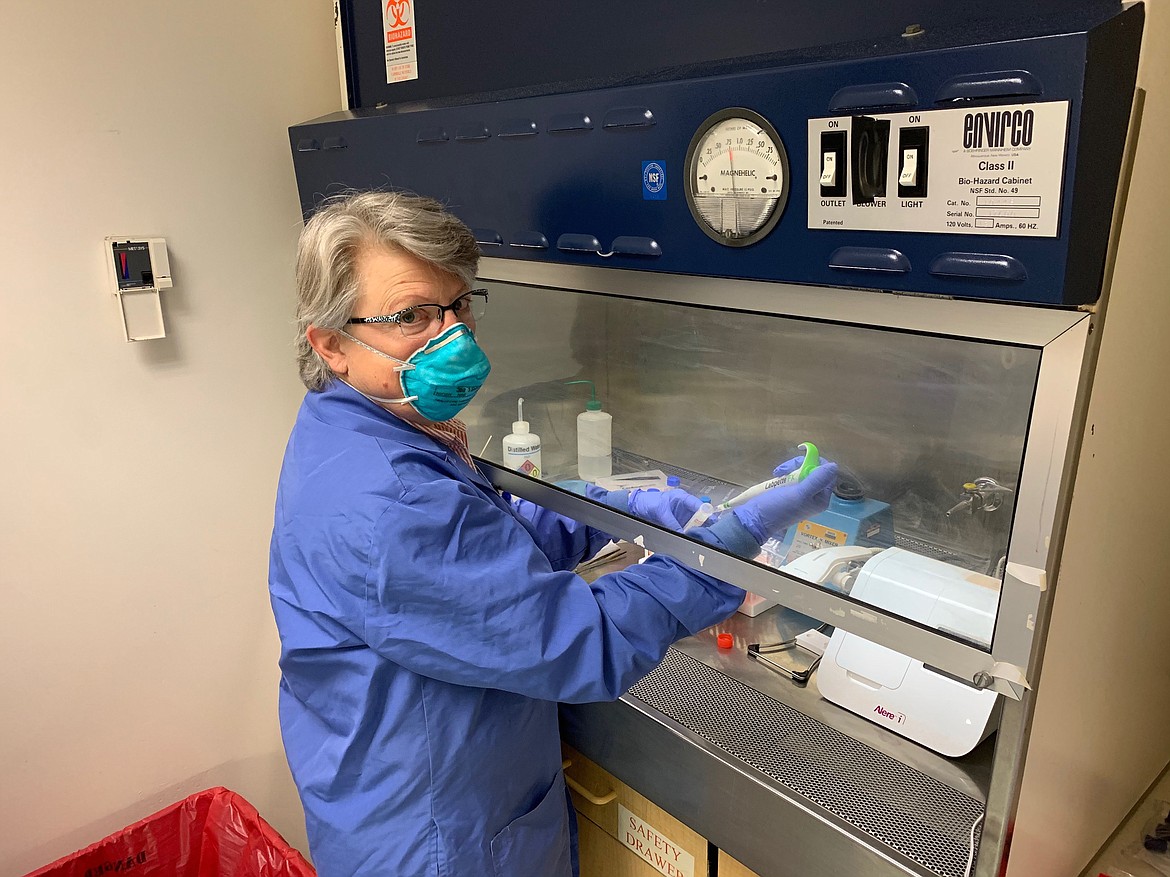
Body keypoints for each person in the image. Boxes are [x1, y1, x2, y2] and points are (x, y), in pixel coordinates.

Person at [268, 190, 838, 877]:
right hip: (437, 839)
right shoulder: (384, 497)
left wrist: (610, 506)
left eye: (459, 305)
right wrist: (730, 542)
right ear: (330, 342)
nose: (453, 337)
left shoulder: (355, 425)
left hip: (397, 790)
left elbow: (482, 538)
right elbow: (581, 640)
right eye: (413, 316)